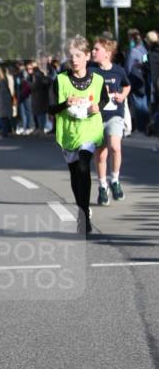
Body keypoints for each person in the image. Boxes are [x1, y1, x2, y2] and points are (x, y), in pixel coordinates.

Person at [49, 36, 108, 234]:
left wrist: (96, 106)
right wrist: (66, 103)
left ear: (87, 56)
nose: (74, 60)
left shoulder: (98, 80)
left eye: (78, 55)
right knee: (75, 175)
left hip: (90, 130)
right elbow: (51, 108)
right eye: (71, 56)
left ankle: (84, 219)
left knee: (84, 166)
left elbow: (105, 100)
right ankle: (82, 209)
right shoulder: (60, 80)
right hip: (69, 132)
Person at [90, 35, 131, 204]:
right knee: (101, 154)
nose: (93, 51)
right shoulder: (90, 70)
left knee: (115, 147)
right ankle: (102, 186)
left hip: (115, 114)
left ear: (107, 53)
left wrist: (122, 95)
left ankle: (114, 180)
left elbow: (127, 85)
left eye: (96, 49)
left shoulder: (119, 70)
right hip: (96, 117)